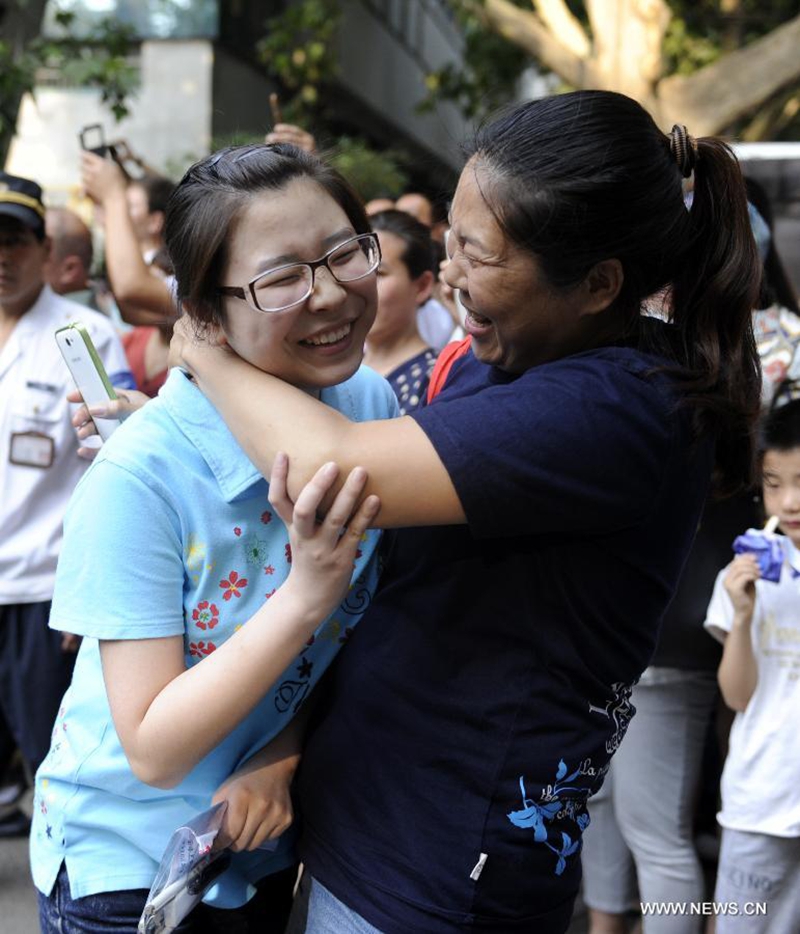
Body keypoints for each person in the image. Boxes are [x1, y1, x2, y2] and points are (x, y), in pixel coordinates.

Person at [169, 90, 762, 934]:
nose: (449, 274)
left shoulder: (620, 404)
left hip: (441, 867)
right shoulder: (519, 352)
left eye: (479, 256)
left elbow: (334, 467)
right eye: (450, 237)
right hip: (373, 823)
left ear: (598, 285)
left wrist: (205, 353)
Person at [30, 143, 397, 934]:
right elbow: (155, 749)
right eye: (281, 278)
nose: (331, 294)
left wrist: (281, 754)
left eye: (344, 253)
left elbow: (351, 645)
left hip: (264, 842)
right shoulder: (141, 478)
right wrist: (305, 596)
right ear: (203, 314)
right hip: (130, 871)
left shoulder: (363, 405)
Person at [0, 172, 131, 798]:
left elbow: (116, 466)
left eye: (15, 241)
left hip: (41, 590)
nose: (2, 257)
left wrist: (89, 590)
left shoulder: (87, 339)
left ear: (46, 252)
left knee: (56, 764)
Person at [704, 394, 800, 932]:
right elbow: (737, 697)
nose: (788, 502)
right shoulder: (747, 568)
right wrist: (741, 617)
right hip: (760, 801)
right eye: (773, 483)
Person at [365, 209, 438, 414]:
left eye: (378, 273)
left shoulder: (434, 381)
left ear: (422, 286)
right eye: (358, 269)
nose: (362, 284)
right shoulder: (332, 369)